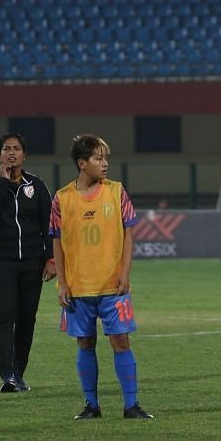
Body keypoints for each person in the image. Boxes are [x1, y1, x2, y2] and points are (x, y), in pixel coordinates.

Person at [49, 134, 153, 419]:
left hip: (112, 285)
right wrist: (63, 283)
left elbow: (129, 232)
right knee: (85, 343)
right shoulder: (62, 198)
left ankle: (131, 405)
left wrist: (125, 271)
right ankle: (91, 405)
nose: (105, 163)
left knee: (121, 341)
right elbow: (57, 241)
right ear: (82, 164)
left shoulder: (117, 191)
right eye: (98, 158)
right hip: (78, 287)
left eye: (105, 158)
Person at [0, 132, 56, 393]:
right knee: (4, 315)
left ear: (24, 154)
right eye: (7, 149)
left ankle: (19, 372)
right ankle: (7, 374)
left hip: (32, 261)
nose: (12, 153)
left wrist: (51, 259)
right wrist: (3, 183)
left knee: (27, 318)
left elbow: (48, 226)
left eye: (17, 148)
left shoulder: (37, 185)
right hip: (0, 259)